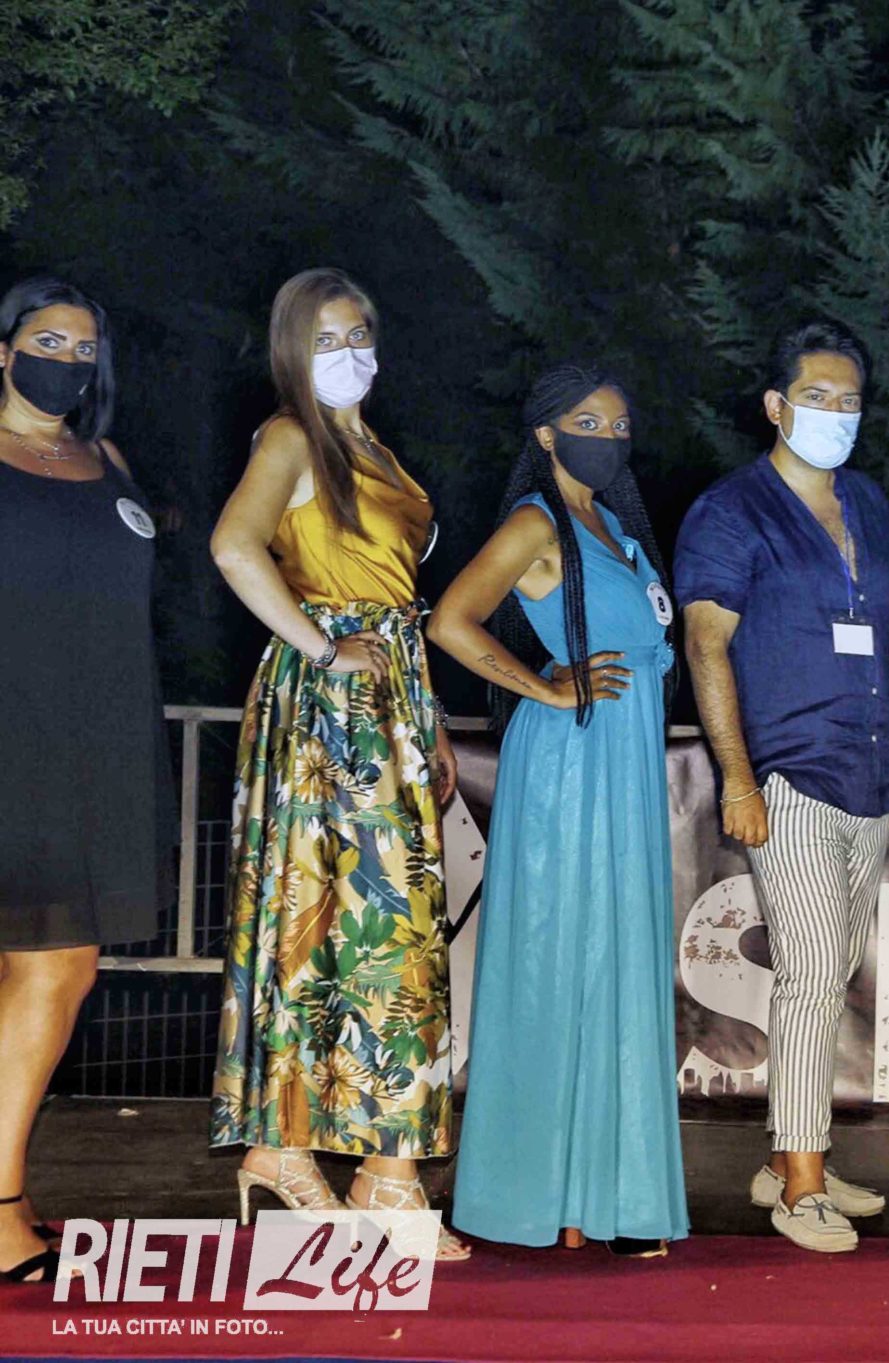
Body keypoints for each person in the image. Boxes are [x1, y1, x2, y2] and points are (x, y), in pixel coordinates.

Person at [208, 268, 465, 1261]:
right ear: (290, 350)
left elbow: (399, 600)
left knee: (381, 928)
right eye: (324, 339)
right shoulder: (290, 437)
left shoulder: (374, 449)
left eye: (358, 333)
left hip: (390, 697)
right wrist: (321, 650)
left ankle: (309, 1153)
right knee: (362, 925)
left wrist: (427, 720)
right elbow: (235, 548)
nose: (348, 352)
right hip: (331, 709)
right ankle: (361, 1166)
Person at [675, 318, 889, 1254]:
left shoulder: (867, 500)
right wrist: (738, 776)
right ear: (776, 405)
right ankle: (802, 1189)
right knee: (812, 972)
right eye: (817, 397)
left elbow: (884, 637)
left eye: (850, 399)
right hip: (786, 769)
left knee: (835, 964)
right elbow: (707, 643)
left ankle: (788, 1160)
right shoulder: (731, 509)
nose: (836, 413)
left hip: (866, 768)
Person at [434, 365, 689, 1258]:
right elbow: (451, 620)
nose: (607, 437)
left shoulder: (614, 525)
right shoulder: (536, 522)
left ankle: (607, 1197)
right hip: (571, 763)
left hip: (623, 763)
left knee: (614, 964)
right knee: (555, 964)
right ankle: (528, 1193)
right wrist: (542, 687)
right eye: (588, 422)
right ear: (546, 435)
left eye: (619, 424)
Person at [0, 279, 170, 1287]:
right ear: (2, 350)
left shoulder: (106, 461)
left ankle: (2, 1194)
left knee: (57, 969)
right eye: (45, 339)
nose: (65, 359)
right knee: (44, 968)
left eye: (82, 346)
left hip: (94, 747)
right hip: (7, 733)